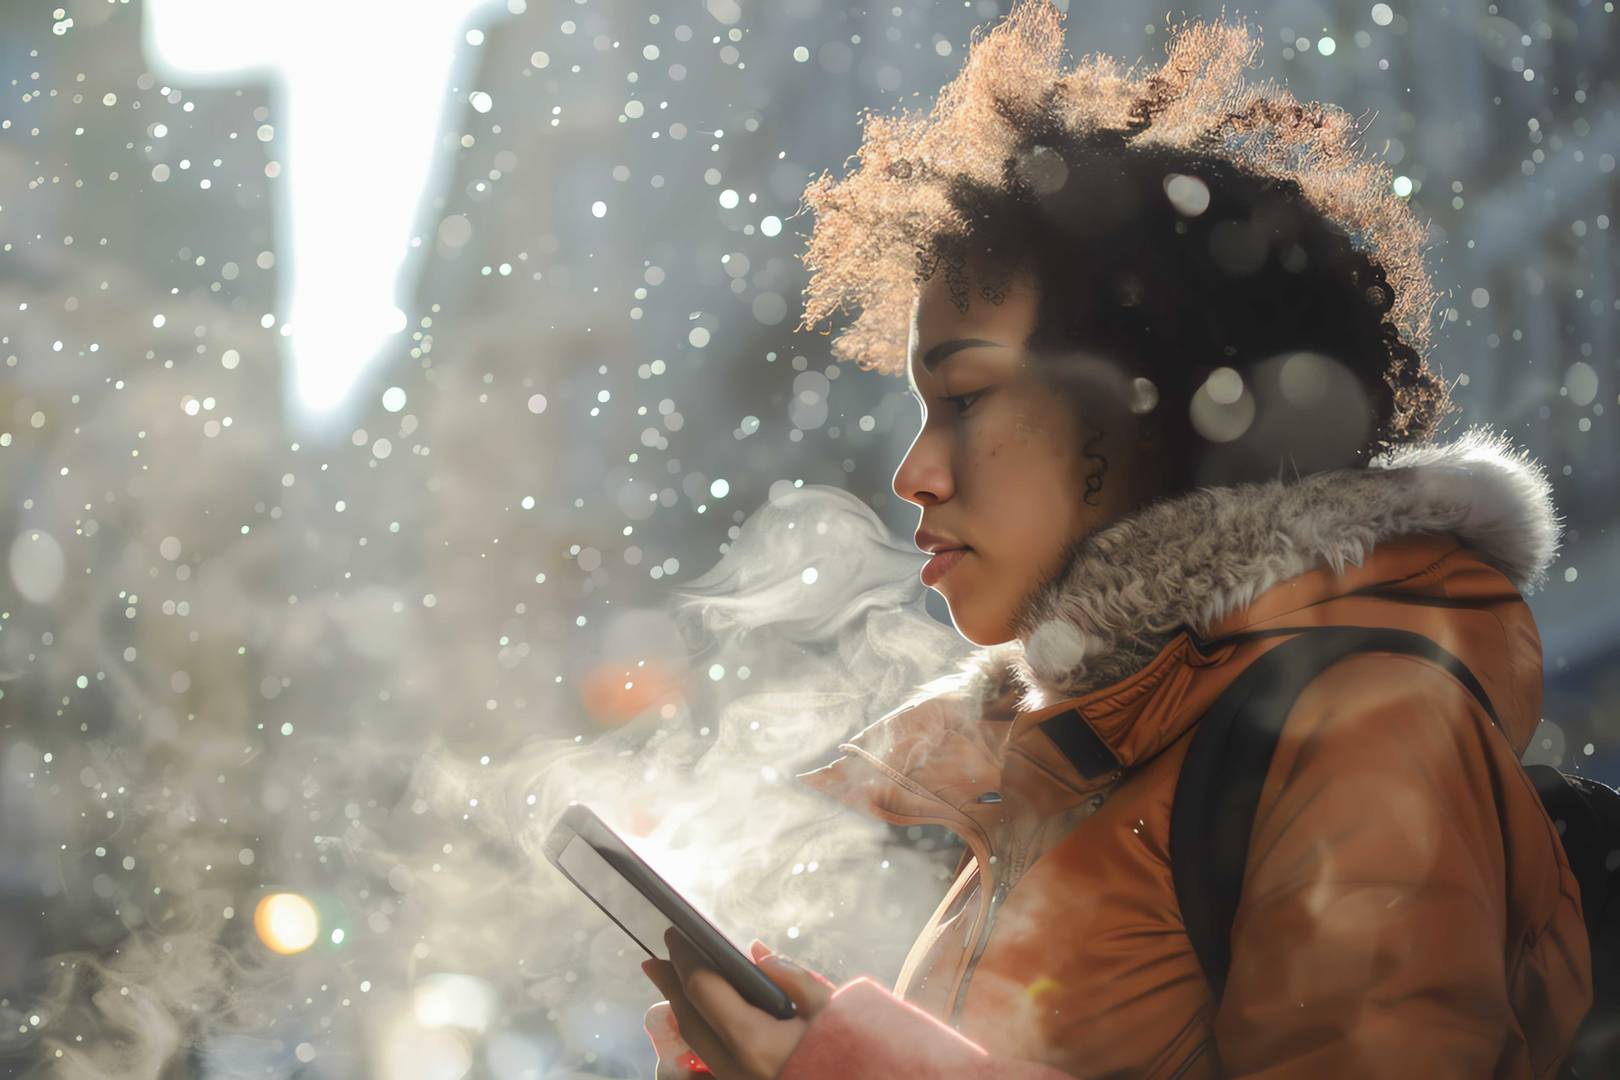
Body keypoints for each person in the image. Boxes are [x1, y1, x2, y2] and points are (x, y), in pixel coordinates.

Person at [639, 1, 1593, 1075]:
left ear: (1147, 407)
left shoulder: (1360, 725)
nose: (916, 472)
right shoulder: (1070, 766)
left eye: (964, 398)